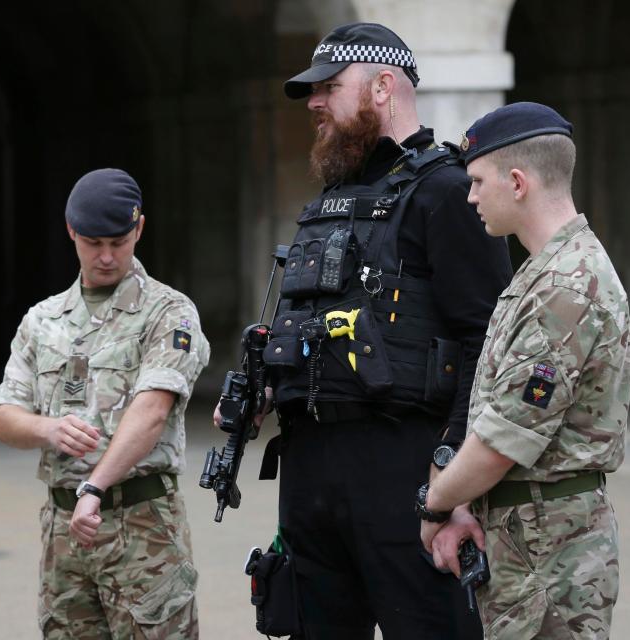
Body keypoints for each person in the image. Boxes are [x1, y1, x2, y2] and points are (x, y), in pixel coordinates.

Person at [244, 22, 513, 639]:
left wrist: (453, 482)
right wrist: (269, 385)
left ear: (382, 86)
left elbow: (489, 346)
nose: (314, 103)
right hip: (312, 474)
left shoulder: (446, 191)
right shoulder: (332, 199)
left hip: (405, 469)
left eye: (329, 88)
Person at [418, 102, 630, 639]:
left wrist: (435, 503)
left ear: (517, 182)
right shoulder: (542, 272)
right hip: (529, 544)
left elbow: (501, 441)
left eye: (476, 181)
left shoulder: (565, 286)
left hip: (549, 557)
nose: (469, 197)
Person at [0, 168, 210, 639]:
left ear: (139, 229)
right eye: (93, 243)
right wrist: (46, 429)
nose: (107, 257)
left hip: (143, 529)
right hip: (64, 534)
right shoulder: (43, 320)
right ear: (71, 231)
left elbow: (152, 409)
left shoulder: (169, 312)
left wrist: (94, 487)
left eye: (119, 241)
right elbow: (6, 417)